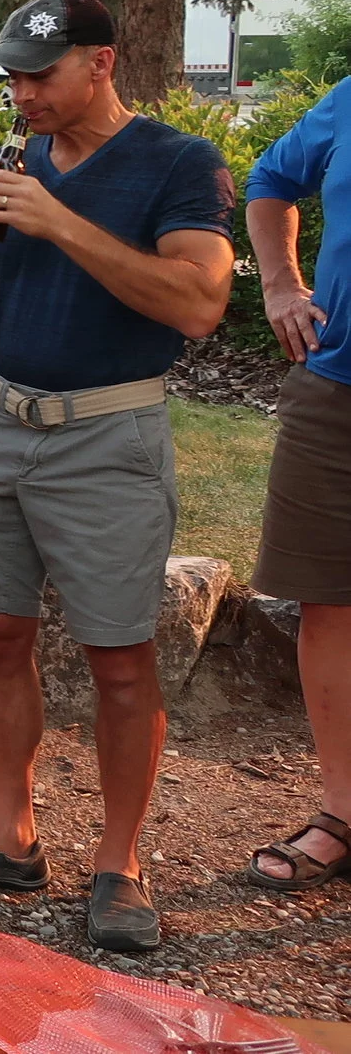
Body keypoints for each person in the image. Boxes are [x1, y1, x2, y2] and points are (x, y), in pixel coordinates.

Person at [0, 0, 234, 954]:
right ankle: (11, 835)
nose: (22, 93)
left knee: (121, 660)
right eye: (11, 75)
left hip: (106, 435)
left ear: (102, 62)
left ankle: (119, 865)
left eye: (39, 73)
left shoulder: (178, 163)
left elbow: (199, 303)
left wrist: (60, 221)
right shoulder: (13, 160)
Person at [239, 77, 351, 891]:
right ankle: (342, 813)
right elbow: (271, 181)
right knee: (327, 599)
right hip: (335, 386)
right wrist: (280, 281)